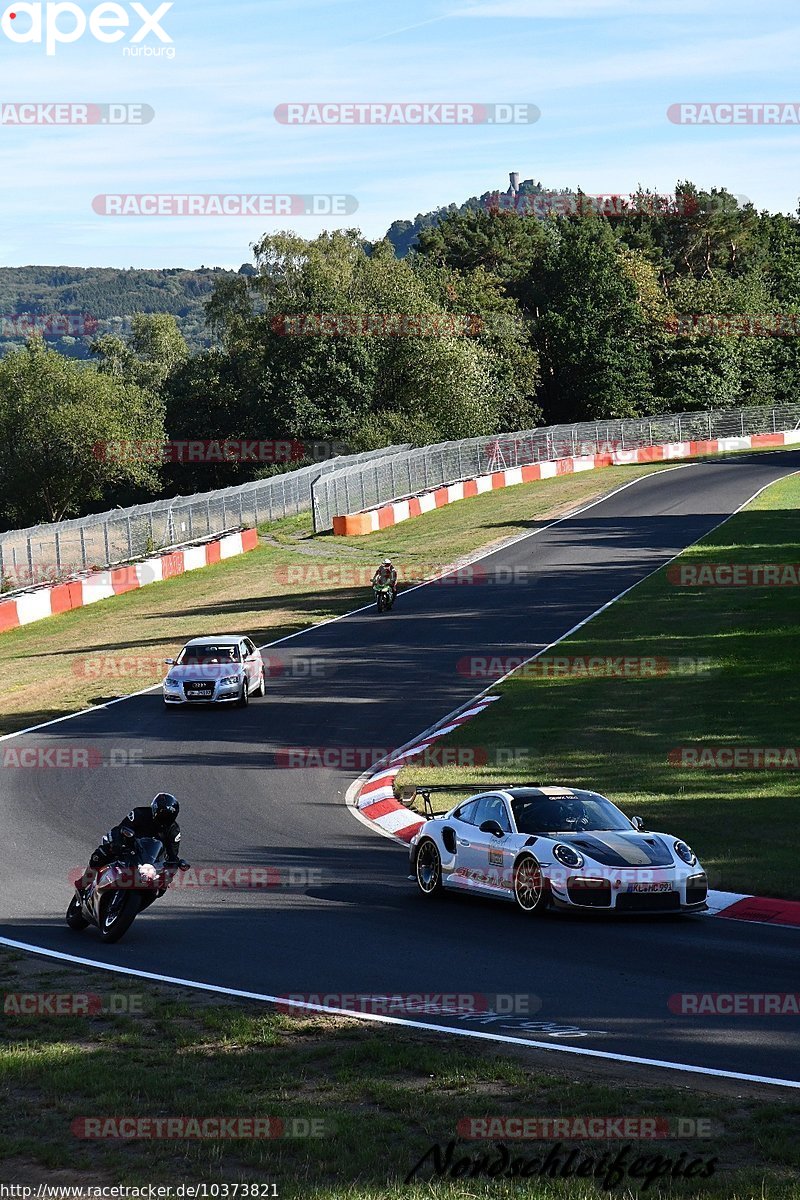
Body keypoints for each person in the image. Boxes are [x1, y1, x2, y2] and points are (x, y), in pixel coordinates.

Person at [77, 793, 188, 894]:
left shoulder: (174, 830)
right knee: (101, 854)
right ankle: (85, 881)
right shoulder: (140, 813)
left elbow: (173, 855)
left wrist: (168, 875)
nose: (165, 819)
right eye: (162, 815)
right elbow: (122, 828)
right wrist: (119, 843)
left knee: (161, 882)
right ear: (155, 809)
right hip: (129, 846)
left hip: (151, 860)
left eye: (169, 817)